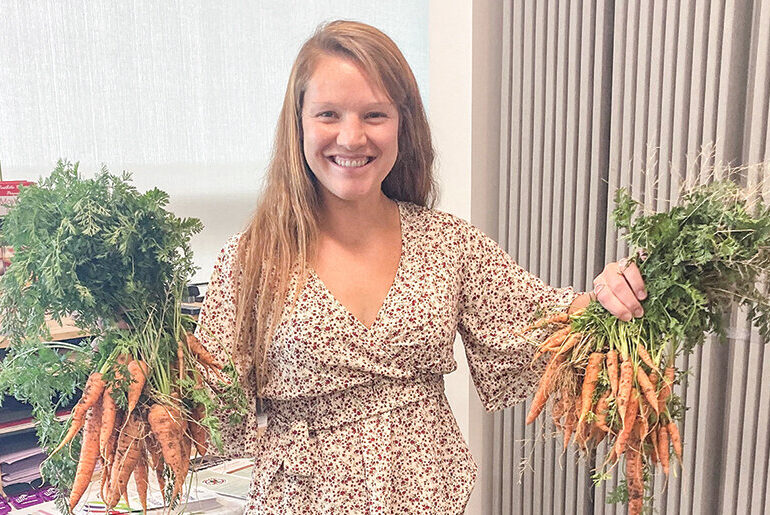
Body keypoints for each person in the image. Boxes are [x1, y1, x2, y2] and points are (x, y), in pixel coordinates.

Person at [195, 20, 646, 514]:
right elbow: (210, 410)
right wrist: (142, 361)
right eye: (328, 113)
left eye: (374, 114)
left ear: (402, 125)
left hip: (426, 499)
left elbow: (544, 325)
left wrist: (609, 293)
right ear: (297, 122)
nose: (351, 137)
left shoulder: (448, 243)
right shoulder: (252, 261)